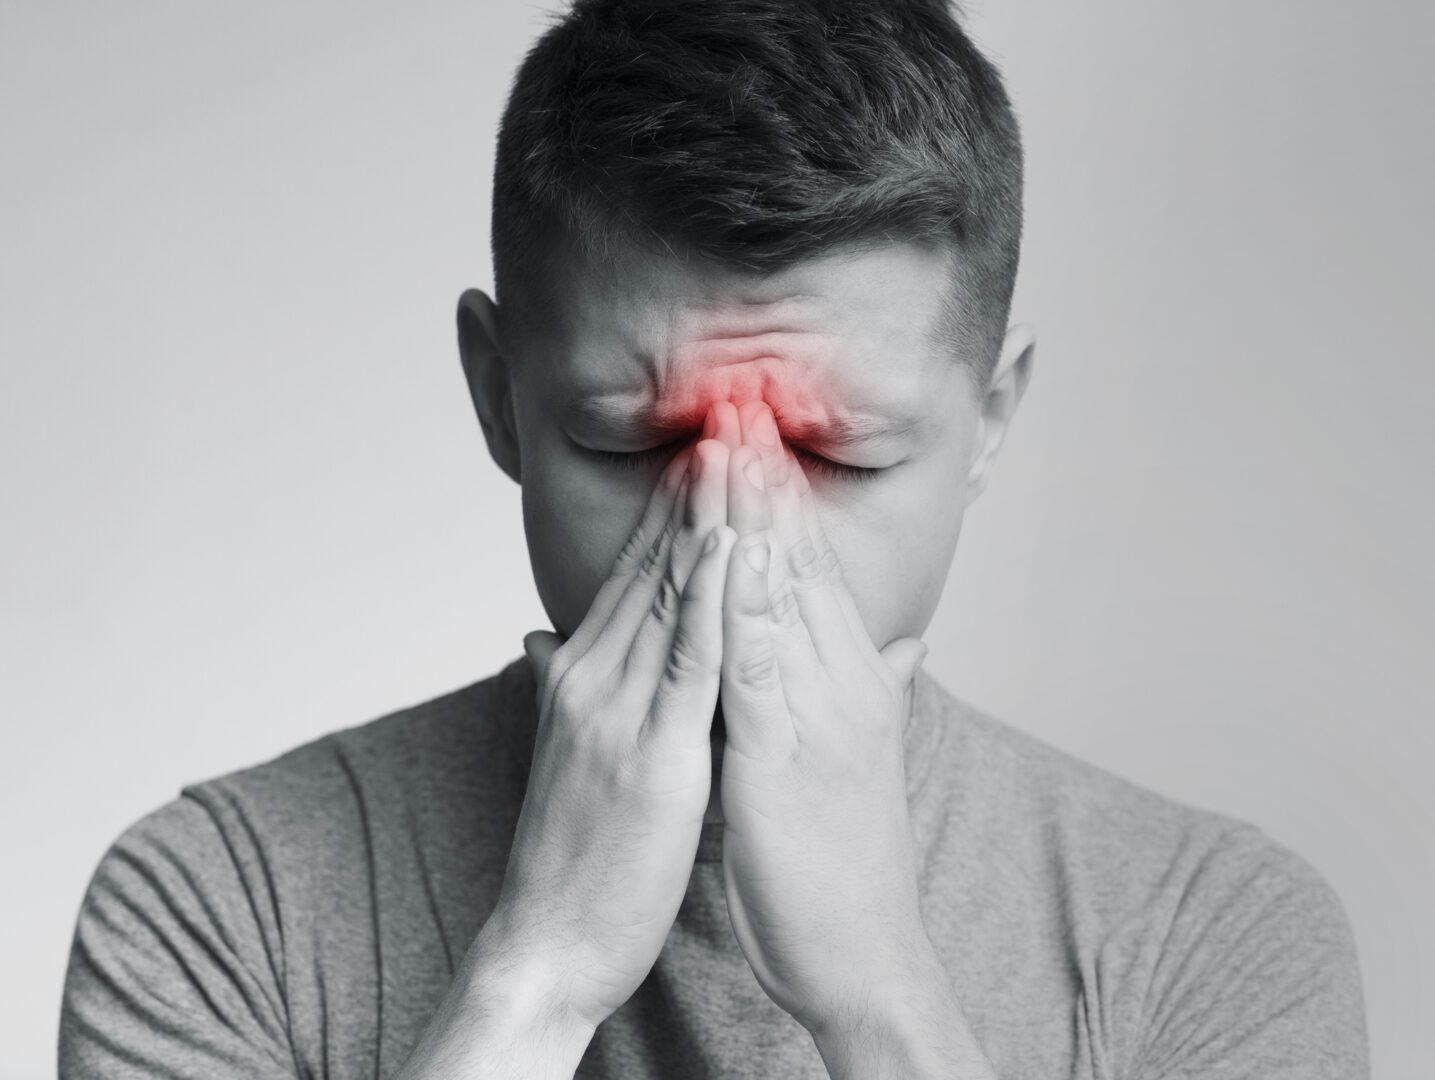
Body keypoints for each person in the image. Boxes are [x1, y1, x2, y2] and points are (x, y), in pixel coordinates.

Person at [58, 1, 1370, 1077]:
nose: (729, 548)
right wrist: (536, 983)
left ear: (989, 422)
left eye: (838, 455)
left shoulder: (1212, 939)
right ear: (496, 397)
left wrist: (879, 997)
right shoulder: (221, 906)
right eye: (632, 446)